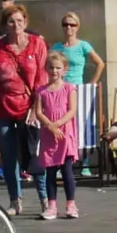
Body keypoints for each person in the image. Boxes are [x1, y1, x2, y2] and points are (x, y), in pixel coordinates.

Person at [0, 4, 48, 212]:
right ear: (4, 25)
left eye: (20, 21)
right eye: (11, 21)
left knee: (33, 154)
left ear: (25, 22)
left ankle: (45, 200)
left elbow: (41, 79)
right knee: (8, 157)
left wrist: (35, 108)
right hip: (3, 107)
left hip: (29, 107)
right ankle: (14, 200)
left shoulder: (37, 44)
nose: (16, 25)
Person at [32, 56, 83, 219]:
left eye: (58, 68)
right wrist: (50, 126)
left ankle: (71, 204)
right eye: (52, 67)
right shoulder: (41, 91)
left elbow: (72, 110)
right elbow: (39, 112)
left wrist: (58, 124)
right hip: (49, 135)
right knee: (50, 171)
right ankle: (51, 205)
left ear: (64, 69)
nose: (54, 71)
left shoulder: (69, 88)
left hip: (65, 135)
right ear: (47, 69)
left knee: (67, 170)